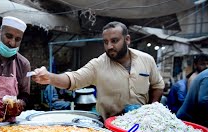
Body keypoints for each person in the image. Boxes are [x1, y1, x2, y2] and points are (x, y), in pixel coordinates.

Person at [32, 21, 164, 120]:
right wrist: (50, 77)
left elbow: (157, 85)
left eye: (114, 41)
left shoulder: (147, 60)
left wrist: (151, 110)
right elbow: (73, 79)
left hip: (142, 125)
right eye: (105, 42)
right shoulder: (98, 65)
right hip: (110, 126)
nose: (109, 46)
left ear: (127, 39)